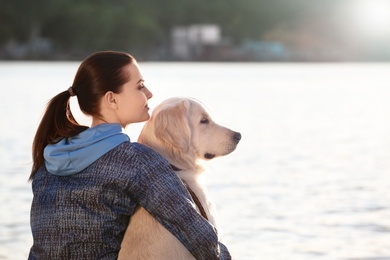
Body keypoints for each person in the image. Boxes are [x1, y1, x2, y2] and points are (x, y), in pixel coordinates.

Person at [28, 51, 231, 259]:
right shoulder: (136, 161)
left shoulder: (50, 158)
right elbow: (196, 233)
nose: (150, 93)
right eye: (140, 86)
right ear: (112, 99)